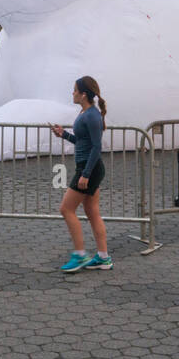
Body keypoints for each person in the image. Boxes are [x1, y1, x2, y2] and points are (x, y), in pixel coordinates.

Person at [50, 76, 112, 272]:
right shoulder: (86, 112)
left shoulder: (91, 115)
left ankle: (80, 255)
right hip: (88, 168)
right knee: (92, 212)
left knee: (66, 209)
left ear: (83, 94)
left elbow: (96, 147)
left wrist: (85, 174)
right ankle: (103, 257)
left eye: (75, 90)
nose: (72, 93)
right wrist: (64, 134)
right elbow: (83, 142)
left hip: (89, 169)